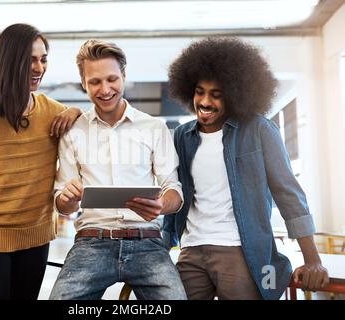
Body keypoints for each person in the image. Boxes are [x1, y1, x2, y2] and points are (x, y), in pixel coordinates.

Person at [163, 37, 329, 300]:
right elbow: (174, 191)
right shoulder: (181, 136)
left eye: (216, 95)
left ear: (235, 95)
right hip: (191, 251)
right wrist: (164, 246)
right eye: (199, 91)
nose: (205, 102)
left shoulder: (259, 130)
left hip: (241, 251)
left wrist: (312, 259)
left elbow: (288, 194)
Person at [0, 23, 82, 300]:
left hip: (35, 239)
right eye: (30, 60)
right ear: (10, 62)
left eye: (43, 59)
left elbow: (94, 123)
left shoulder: (53, 112)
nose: (39, 68)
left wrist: (76, 111)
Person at [49, 39, 187, 300]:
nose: (105, 89)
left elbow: (174, 191)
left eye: (112, 79)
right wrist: (66, 199)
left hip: (147, 242)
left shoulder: (153, 128)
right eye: (95, 82)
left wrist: (161, 204)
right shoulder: (73, 132)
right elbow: (62, 204)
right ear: (83, 83)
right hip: (91, 243)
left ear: (124, 75)